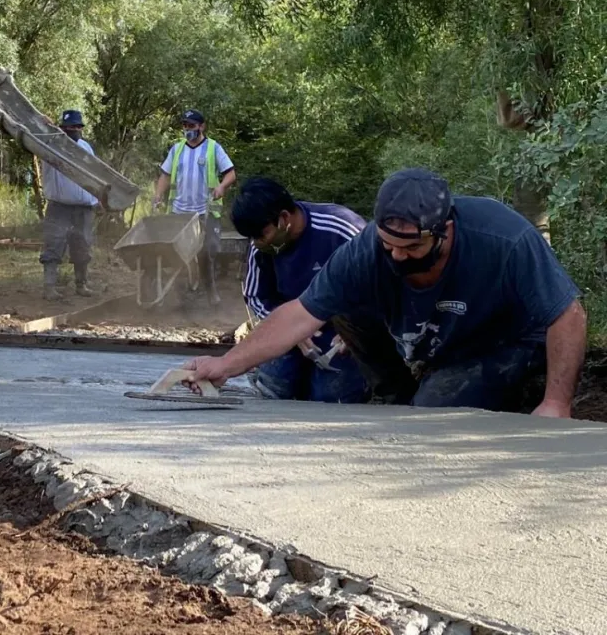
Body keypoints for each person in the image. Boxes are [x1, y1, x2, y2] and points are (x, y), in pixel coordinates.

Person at [185, 168, 586, 418]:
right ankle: (396, 394)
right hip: (438, 340)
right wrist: (226, 365)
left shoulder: (505, 238)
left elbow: (568, 314)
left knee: (431, 414)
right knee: (342, 309)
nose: (397, 256)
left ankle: (505, 390)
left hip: (502, 342)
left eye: (411, 248)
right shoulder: (367, 249)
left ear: (444, 231)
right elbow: (299, 314)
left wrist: (556, 404)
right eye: (388, 245)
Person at [233, 178, 367, 403]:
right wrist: (289, 331)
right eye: (252, 238)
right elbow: (256, 296)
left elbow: (381, 283)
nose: (256, 244)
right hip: (292, 328)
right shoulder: (261, 248)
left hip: (342, 331)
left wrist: (359, 330)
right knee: (275, 386)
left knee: (331, 397)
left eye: (261, 235)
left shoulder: (341, 229)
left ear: (284, 218)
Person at [153, 109, 237, 305]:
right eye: (185, 126)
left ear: (202, 126)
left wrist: (221, 186)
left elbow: (231, 173)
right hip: (179, 212)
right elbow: (165, 175)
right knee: (176, 253)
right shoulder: (177, 149)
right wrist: (157, 195)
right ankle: (182, 292)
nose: (187, 129)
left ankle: (210, 291)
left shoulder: (213, 148)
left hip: (204, 211)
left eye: (191, 126)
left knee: (207, 251)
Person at [39, 109, 99, 300]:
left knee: (82, 246)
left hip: (84, 208)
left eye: (76, 127)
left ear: (80, 128)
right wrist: (45, 125)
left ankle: (81, 285)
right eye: (69, 127)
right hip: (59, 206)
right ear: (62, 129)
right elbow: (33, 133)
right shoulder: (50, 145)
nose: (73, 130)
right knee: (53, 245)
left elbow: (95, 175)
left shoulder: (86, 147)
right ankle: (49, 288)